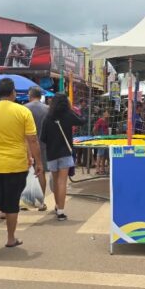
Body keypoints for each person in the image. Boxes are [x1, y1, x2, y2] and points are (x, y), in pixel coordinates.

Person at [0, 78, 43, 256]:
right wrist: (38, 162)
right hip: (16, 164)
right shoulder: (23, 111)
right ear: (13, 93)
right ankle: (11, 238)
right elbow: (32, 140)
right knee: (12, 203)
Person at [41, 92, 86, 221]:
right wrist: (73, 109)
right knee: (62, 182)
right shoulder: (68, 115)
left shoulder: (47, 117)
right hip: (65, 153)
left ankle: (56, 206)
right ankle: (60, 211)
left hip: (51, 154)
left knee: (55, 181)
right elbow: (82, 121)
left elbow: (43, 138)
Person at [23, 86, 50, 211]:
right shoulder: (48, 109)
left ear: (30, 95)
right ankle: (41, 202)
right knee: (41, 172)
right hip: (43, 145)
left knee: (25, 173)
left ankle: (25, 202)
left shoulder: (24, 108)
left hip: (26, 145)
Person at [93, 109, 110, 175]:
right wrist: (97, 137)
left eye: (108, 113)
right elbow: (94, 129)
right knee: (100, 154)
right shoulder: (100, 120)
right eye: (107, 113)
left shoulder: (106, 121)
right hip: (101, 139)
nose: (108, 114)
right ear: (103, 114)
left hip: (106, 139)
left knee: (104, 155)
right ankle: (97, 169)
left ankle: (102, 168)